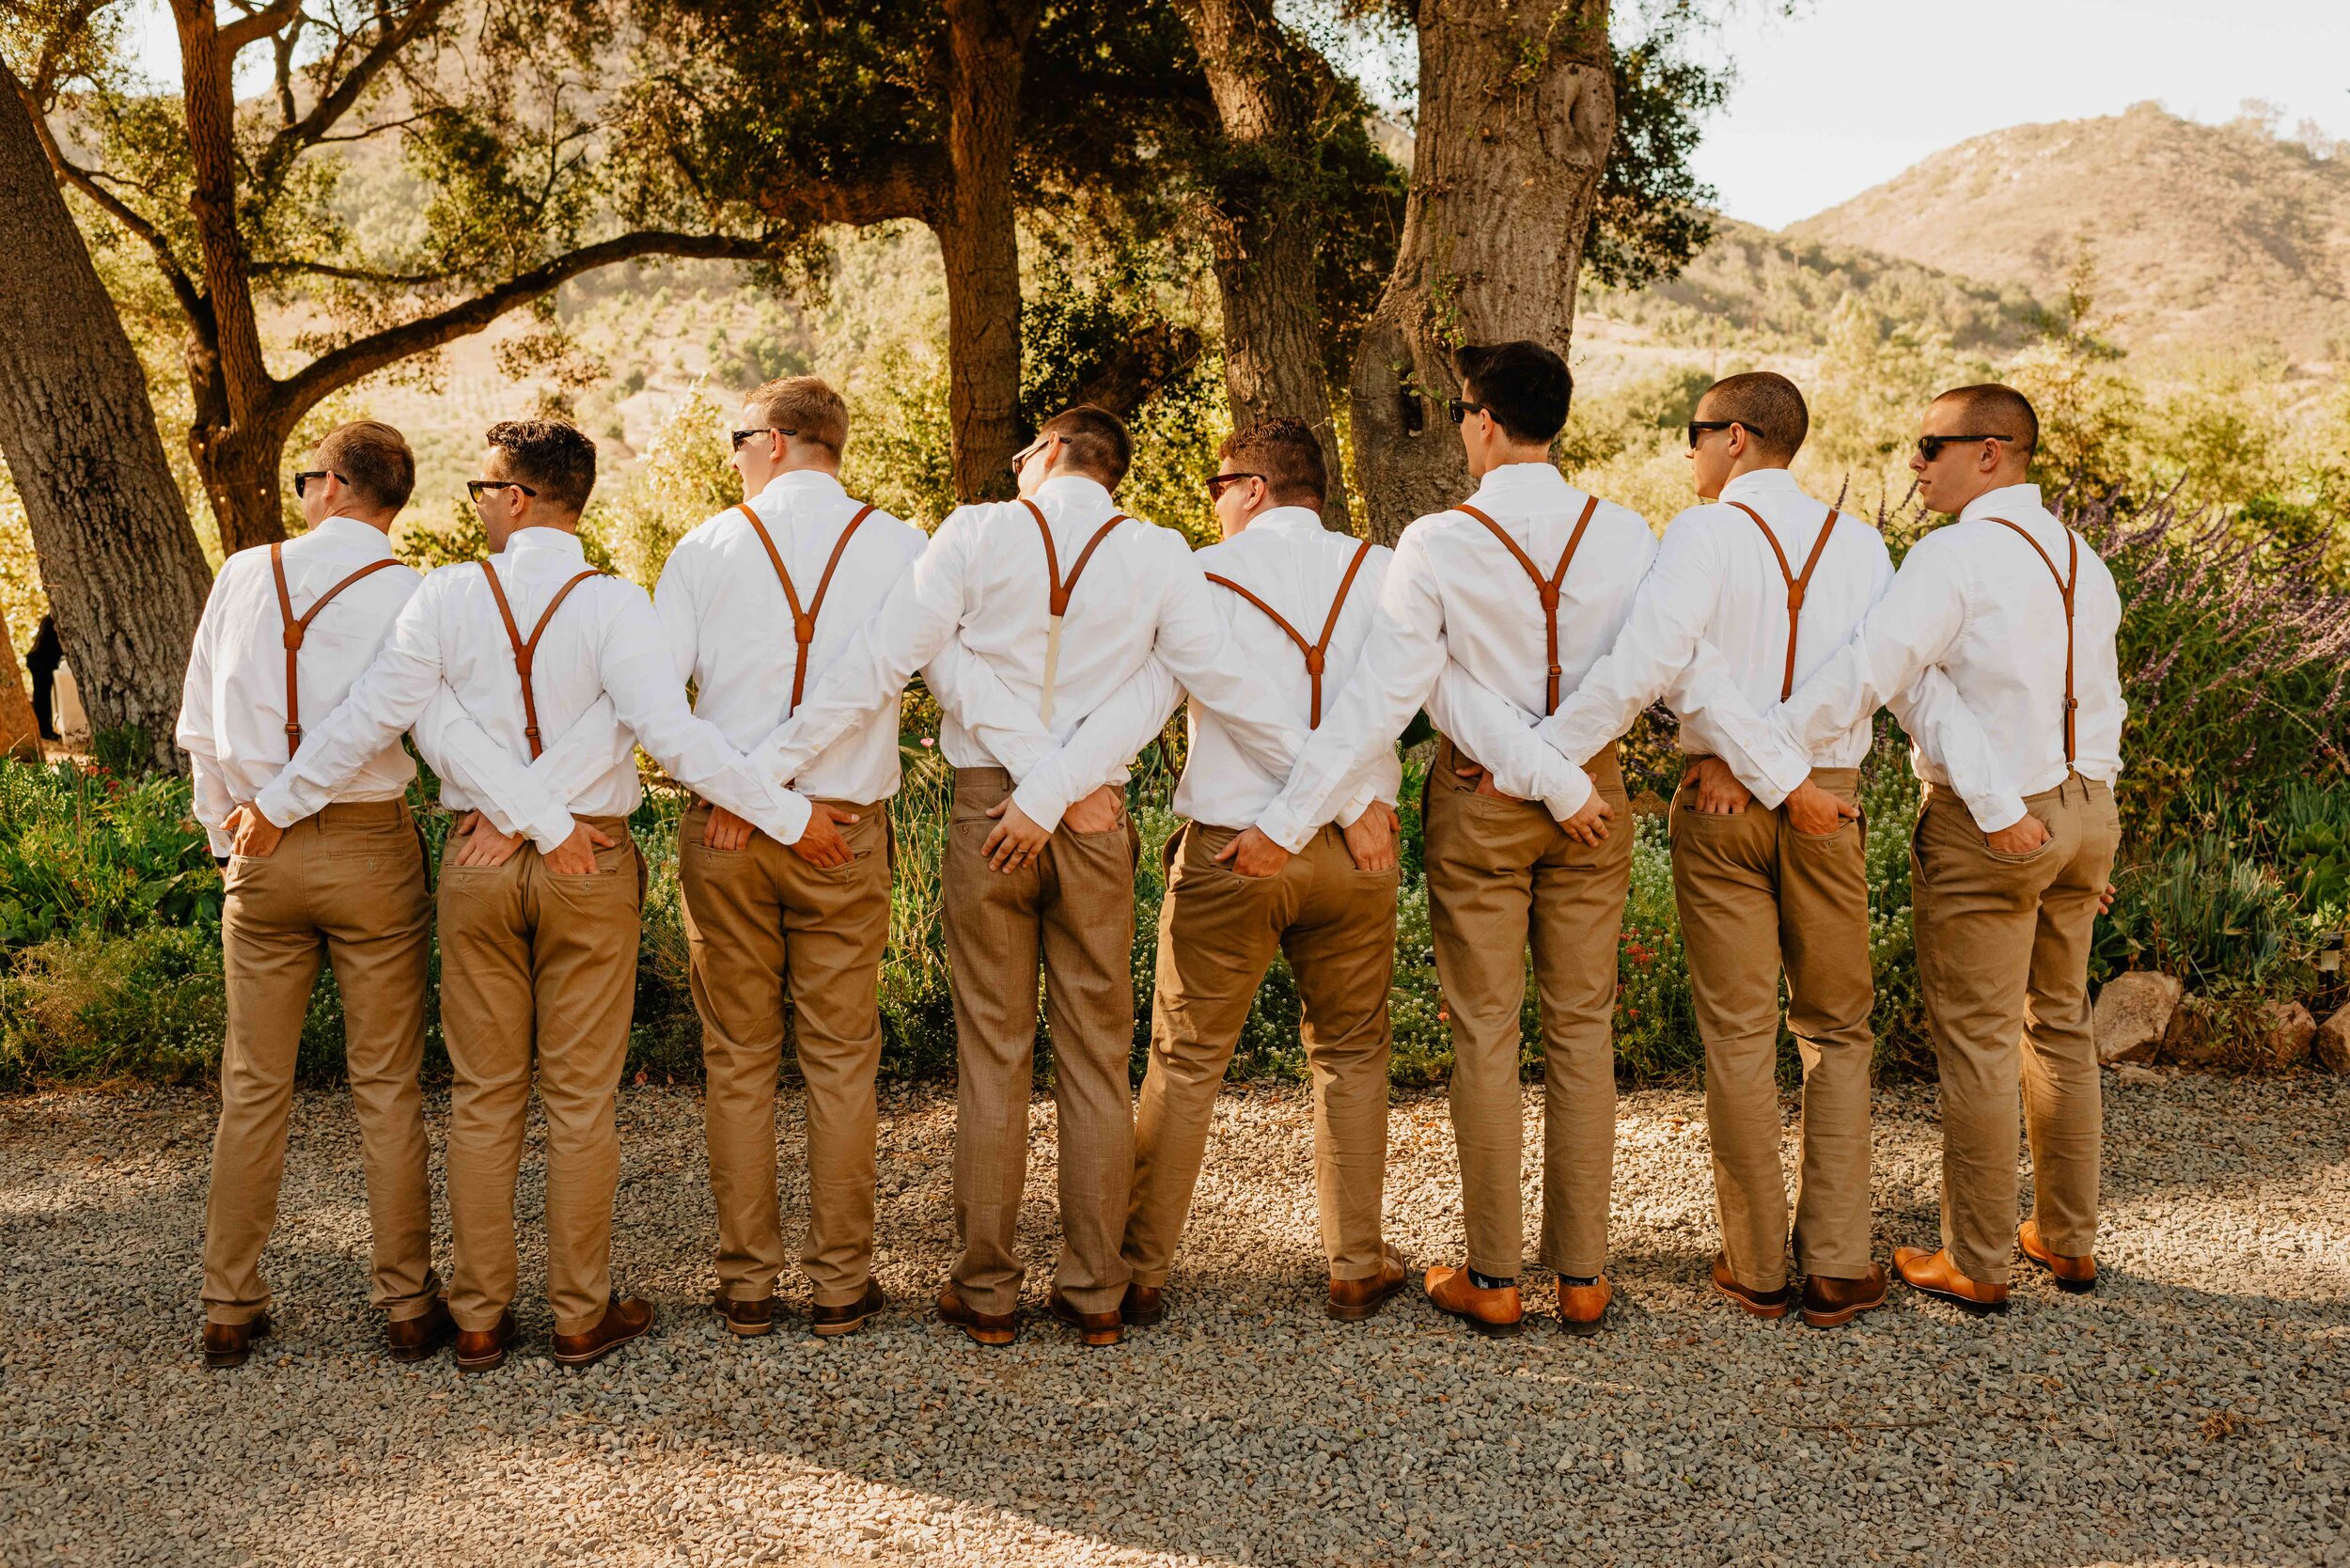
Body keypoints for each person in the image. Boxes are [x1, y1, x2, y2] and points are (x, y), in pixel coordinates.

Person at [254, 419, 810, 1371]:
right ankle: (578, 1314)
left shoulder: (441, 597)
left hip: (476, 866)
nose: (474, 503)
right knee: (582, 1101)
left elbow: (396, 715)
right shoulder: (618, 605)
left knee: (482, 1097)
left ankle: (476, 1316)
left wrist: (283, 801)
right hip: (587, 865)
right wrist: (792, 819)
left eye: (482, 487)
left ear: (517, 497)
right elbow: (661, 736)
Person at [749, 405, 1309, 1347]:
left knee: (992, 1057)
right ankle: (1094, 1292)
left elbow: (899, 658)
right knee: (1095, 1060)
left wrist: (760, 777)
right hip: (1092, 817)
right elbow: (1193, 678)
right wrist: (1066, 783)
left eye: (1022, 453)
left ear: (1050, 455)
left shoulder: (973, 534)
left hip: (987, 817)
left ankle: (987, 1289)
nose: (1013, 467)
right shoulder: (1161, 551)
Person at [521, 376, 1057, 1340]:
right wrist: (1058, 776)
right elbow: (949, 680)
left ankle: (746, 1287)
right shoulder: (904, 548)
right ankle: (843, 1286)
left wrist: (742, 799)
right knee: (845, 1058)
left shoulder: (704, 546)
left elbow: (654, 702)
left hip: (726, 832)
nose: (733, 454)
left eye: (737, 438)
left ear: (774, 441)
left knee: (737, 1058)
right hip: (842, 832)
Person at [1530, 371, 1979, 1328]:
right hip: (1832, 803)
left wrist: (1549, 757)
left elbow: (1663, 661)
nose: (1685, 451)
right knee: (1837, 1032)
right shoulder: (1863, 546)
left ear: (1736, 438)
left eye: (1692, 432)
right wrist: (1799, 776)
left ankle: (1754, 1269)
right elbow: (1884, 678)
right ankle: (1837, 1265)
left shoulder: (1696, 537)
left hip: (1720, 801)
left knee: (1738, 1037)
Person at [1242, 342, 1653, 1336]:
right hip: (1591, 800)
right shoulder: (1630, 533)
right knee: (1583, 1029)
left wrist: (1286, 819)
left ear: (1481, 421)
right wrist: (1562, 772)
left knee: (1486, 1033)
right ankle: (1586, 1277)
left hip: (1481, 798)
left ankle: (1496, 1276)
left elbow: (1402, 688)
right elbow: (1647, 669)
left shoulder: (1434, 541)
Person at [1769, 384, 2124, 1312]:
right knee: (2060, 1023)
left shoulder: (1952, 557)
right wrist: (2093, 823)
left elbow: (1864, 670)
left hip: (1993, 823)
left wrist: (1762, 748)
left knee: (1973, 1042)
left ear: (1993, 452)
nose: (1914, 464)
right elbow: (2107, 699)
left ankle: (1976, 1261)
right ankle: (2067, 1239)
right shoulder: (2081, 558)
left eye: (1929, 445)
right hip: (2088, 808)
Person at [1119, 418, 1409, 1325]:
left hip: (1236, 847)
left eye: (1217, 484)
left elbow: (1148, 700)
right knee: (1353, 1052)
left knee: (1187, 1055)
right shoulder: (1389, 572)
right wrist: (1357, 803)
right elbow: (1411, 697)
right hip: (1359, 851)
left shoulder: (1200, 575)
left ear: (1252, 488)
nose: (1213, 501)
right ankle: (1356, 1263)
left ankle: (1136, 1272)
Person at [175, 420, 446, 1368]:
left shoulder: (245, 573)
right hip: (372, 847)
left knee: (252, 1086)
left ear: (331, 485)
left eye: (305, 478)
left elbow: (200, 724)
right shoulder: (413, 594)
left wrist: (228, 841)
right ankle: (408, 1304)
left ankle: (228, 1306)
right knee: (387, 1084)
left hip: (258, 843)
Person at [27, 615, 60, 741]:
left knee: (42, 697)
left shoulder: (50, 619)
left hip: (40, 661)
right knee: (42, 697)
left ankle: (43, 729)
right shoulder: (53, 620)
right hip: (41, 663)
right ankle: (43, 730)